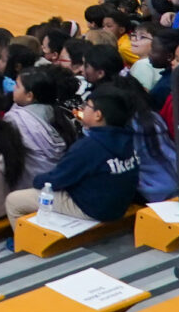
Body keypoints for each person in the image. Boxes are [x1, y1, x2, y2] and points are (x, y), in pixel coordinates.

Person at [8, 83, 142, 225]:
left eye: (87, 106)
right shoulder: (129, 139)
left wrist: (36, 181)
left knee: (14, 201)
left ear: (98, 115)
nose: (83, 108)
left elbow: (56, 180)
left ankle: (26, 239)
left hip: (91, 208)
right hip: (119, 205)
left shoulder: (89, 146)